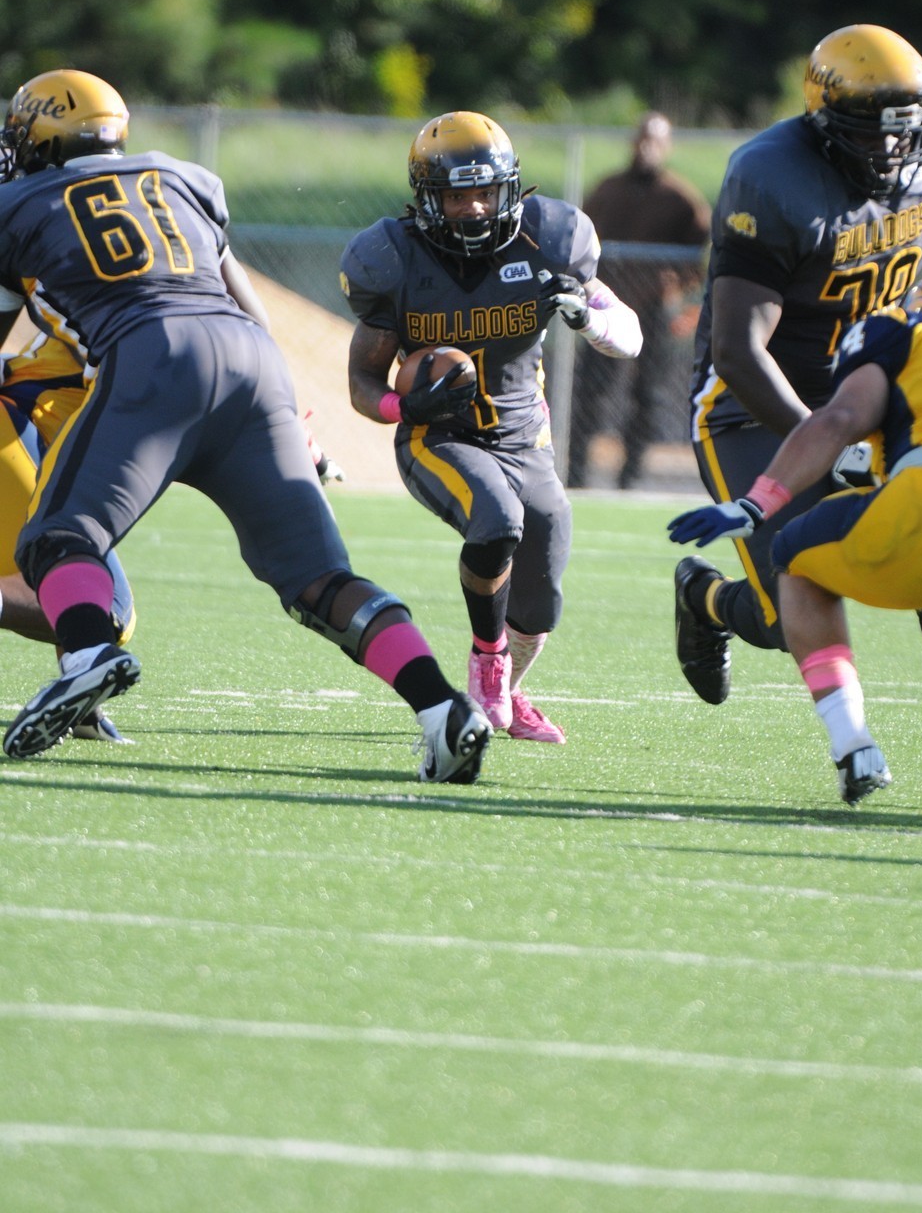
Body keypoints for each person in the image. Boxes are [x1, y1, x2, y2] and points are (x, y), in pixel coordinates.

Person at [0, 69, 490, 785]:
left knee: (58, 538)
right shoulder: (184, 178)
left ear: (39, 138)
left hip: (154, 356)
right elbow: (245, 301)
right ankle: (440, 707)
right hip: (253, 362)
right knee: (320, 581)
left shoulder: (17, 203)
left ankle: (87, 656)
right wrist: (290, 414)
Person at [670, 23, 922, 815]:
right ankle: (704, 600)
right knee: (790, 609)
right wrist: (826, 444)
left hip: (882, 390)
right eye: (866, 135)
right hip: (755, 408)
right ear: (822, 123)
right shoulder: (771, 177)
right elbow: (740, 350)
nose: (889, 156)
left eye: (902, 137)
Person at [668, 267, 922, 811]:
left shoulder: (904, 332)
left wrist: (757, 503)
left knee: (794, 557)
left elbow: (842, 419)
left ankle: (853, 743)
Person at [341, 110, 643, 741]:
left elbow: (631, 338)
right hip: (439, 435)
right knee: (497, 518)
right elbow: (362, 385)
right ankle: (488, 658)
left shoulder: (549, 243)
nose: (475, 209)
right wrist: (406, 410)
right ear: (429, 198)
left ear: (510, 189)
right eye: (457, 195)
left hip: (523, 434)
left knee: (541, 599)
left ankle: (510, 684)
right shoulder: (393, 261)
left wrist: (585, 319)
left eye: (485, 192)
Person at [1, 331, 136, 742]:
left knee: (72, 563)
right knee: (108, 610)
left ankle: (82, 705)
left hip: (19, 431)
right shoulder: (161, 325)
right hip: (16, 435)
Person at [567, 112, 710, 489]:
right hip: (605, 306)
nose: (647, 147)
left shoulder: (680, 197)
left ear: (667, 147)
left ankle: (628, 479)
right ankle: (576, 476)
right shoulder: (608, 189)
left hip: (654, 308)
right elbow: (581, 238)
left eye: (657, 141)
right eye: (643, 138)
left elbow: (704, 251)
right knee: (591, 392)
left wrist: (683, 295)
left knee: (649, 394)